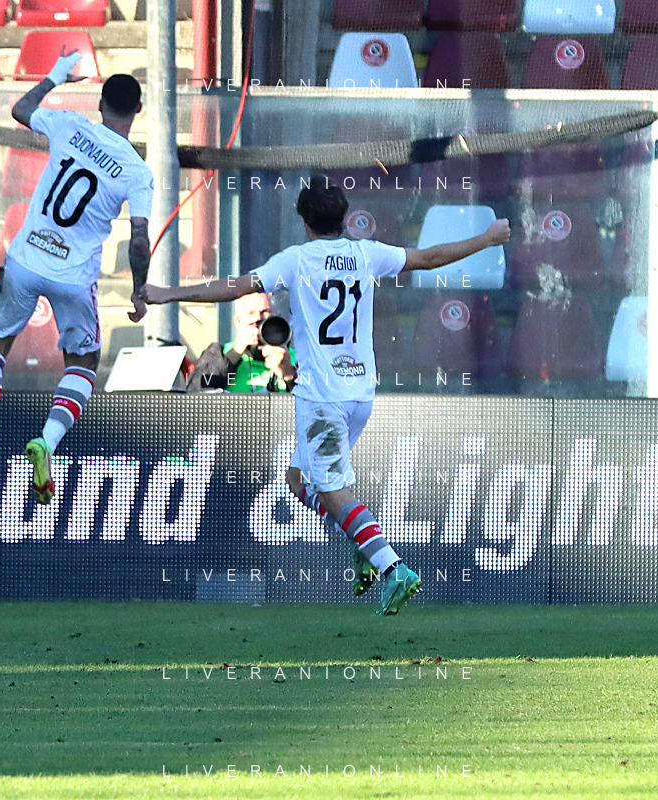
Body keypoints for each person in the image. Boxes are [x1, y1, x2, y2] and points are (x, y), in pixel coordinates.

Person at [144, 175, 511, 615]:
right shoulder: (366, 253)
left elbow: (234, 287)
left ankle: (393, 567)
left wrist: (168, 294)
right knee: (297, 479)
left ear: (304, 222)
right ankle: (365, 545)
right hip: (360, 391)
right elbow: (430, 258)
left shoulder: (296, 260)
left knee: (333, 490)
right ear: (345, 218)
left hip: (322, 396)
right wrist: (487, 238)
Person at [0, 52, 155, 505]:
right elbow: (139, 242)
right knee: (83, 363)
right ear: (139, 110)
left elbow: (21, 109)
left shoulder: (69, 126)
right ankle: (46, 442)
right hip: (74, 277)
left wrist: (55, 75)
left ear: (99, 103)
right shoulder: (138, 172)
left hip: (25, 260)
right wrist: (139, 289)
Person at [190, 291, 296, 393]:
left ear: (276, 316)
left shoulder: (295, 357)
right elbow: (195, 390)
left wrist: (289, 376)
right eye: (250, 313)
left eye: (265, 312)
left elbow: (306, 400)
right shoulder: (219, 354)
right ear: (238, 322)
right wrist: (235, 353)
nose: (258, 318)